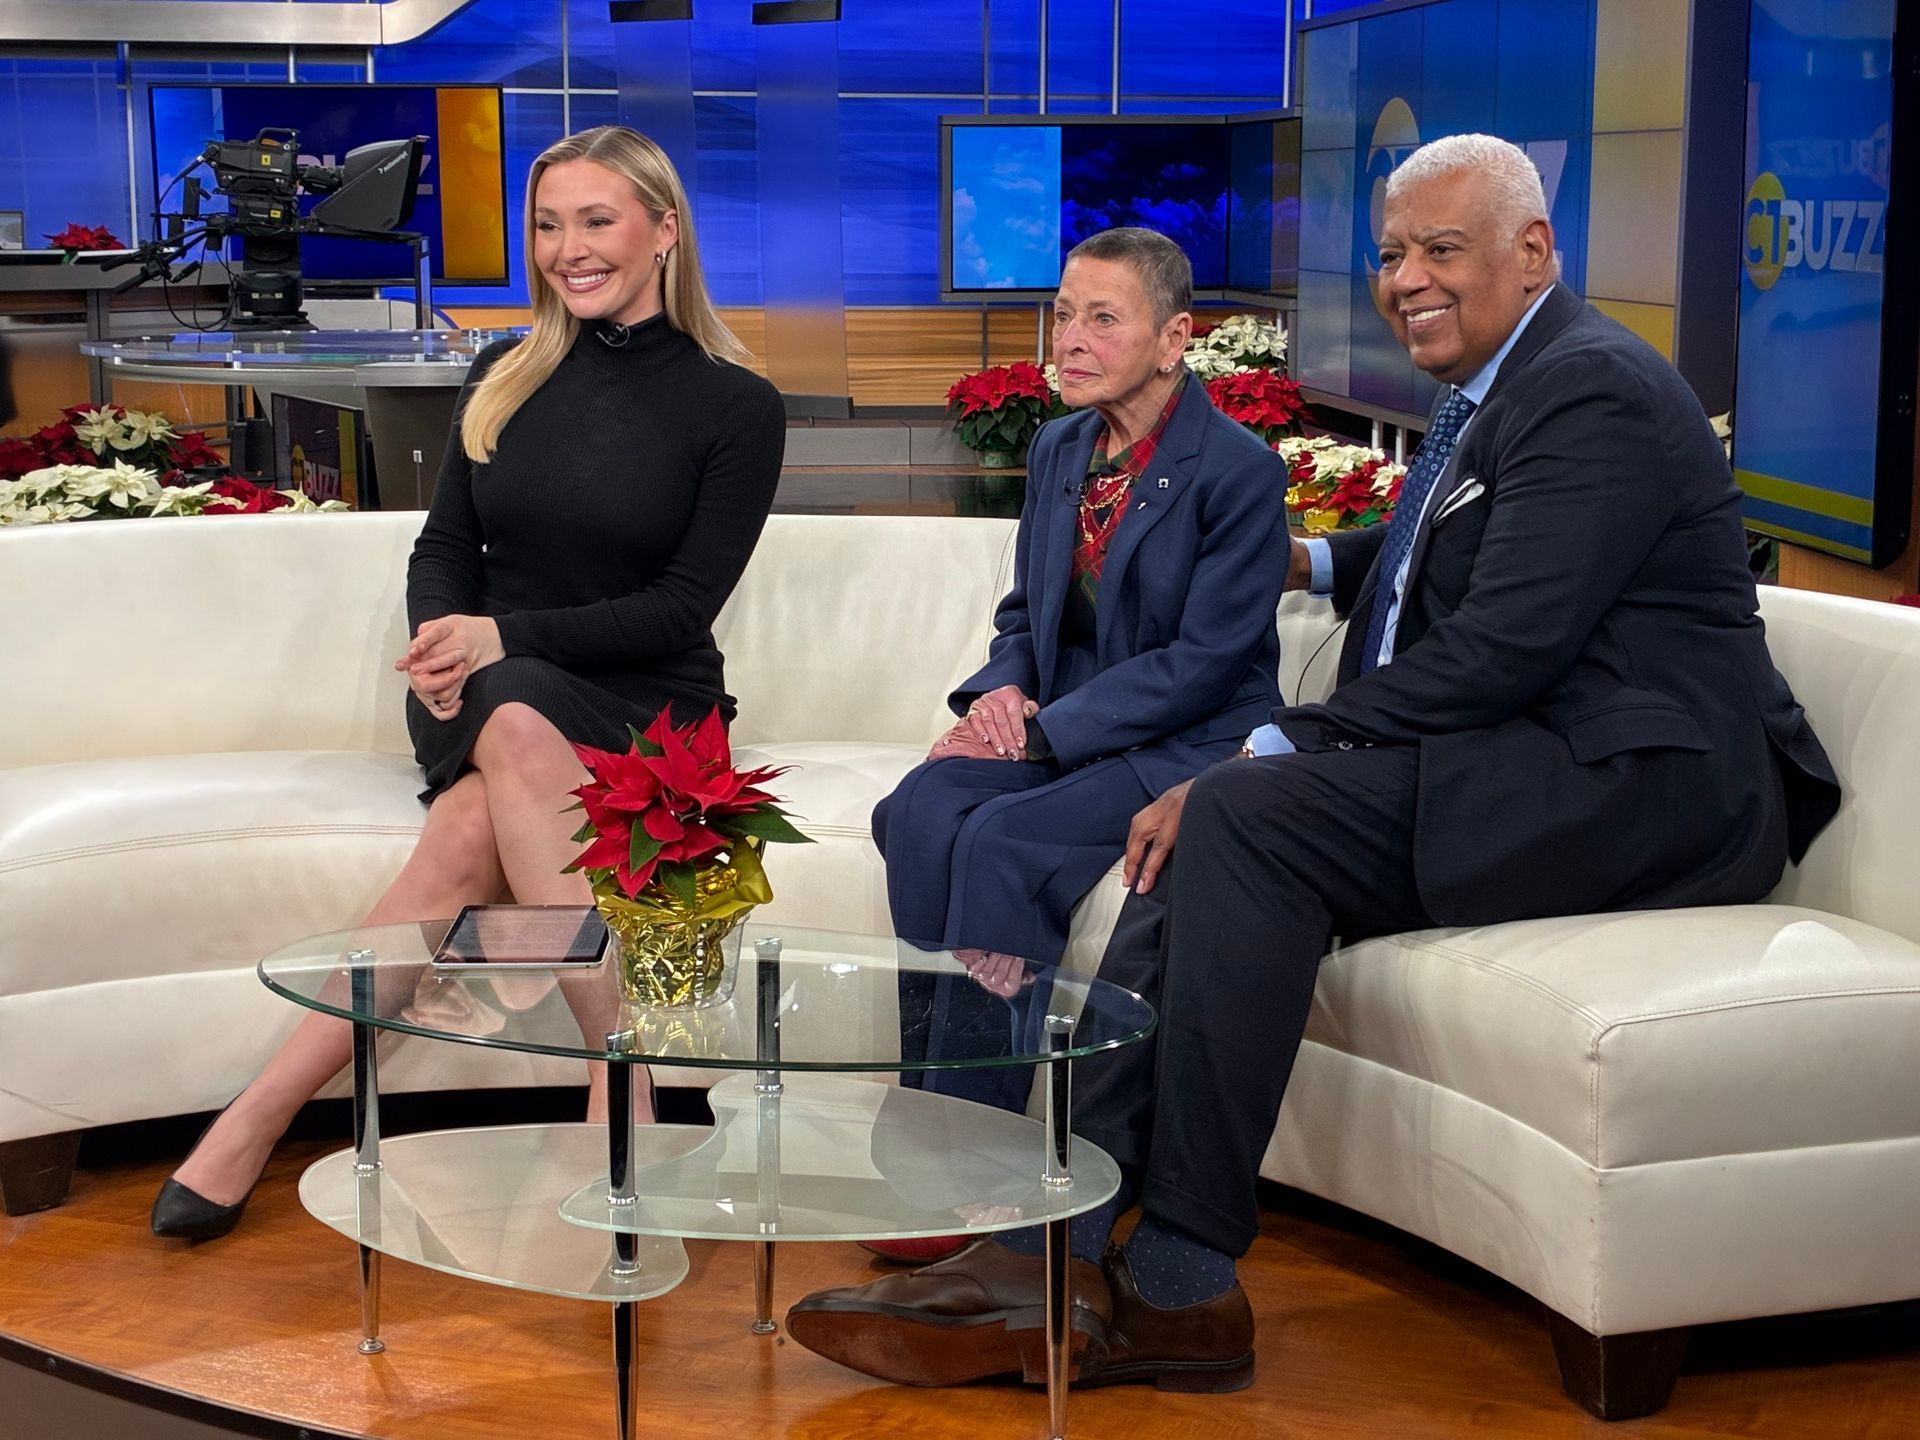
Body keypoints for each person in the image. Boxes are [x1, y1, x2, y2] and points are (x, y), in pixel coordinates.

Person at [784, 134, 1841, 1391]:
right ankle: (1060, 1254)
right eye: (1394, 253)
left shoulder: (1592, 387)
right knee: (1205, 843)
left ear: (1533, 251)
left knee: (1237, 810)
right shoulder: (1507, 386)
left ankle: (1159, 1276)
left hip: (1647, 785)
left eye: (1443, 249)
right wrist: (1315, 562)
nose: (1408, 279)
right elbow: (1448, 529)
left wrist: (1271, 744)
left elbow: (1502, 646)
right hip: (1533, 757)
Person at [150, 125, 786, 1241]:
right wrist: (446, 640)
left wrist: (500, 642)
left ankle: (253, 1117)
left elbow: (682, 608)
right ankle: (627, 1079)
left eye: (597, 220)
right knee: (509, 713)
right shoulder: (503, 371)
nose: (568, 249)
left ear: (664, 230)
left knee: (462, 836)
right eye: (549, 225)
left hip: (647, 710)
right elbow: (445, 546)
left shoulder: (737, 403)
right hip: (491, 688)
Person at [873, 226, 1292, 1121]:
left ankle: (974, 1133)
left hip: (1187, 742)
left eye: (1103, 320)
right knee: (917, 807)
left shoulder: (1240, 472)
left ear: (1174, 340)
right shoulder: (1060, 449)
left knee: (1001, 844)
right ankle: (923, 1104)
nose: (1069, 341)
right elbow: (1026, 613)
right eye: (1063, 316)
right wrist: (1003, 690)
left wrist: (1043, 735)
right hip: (1063, 726)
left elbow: (1205, 664)